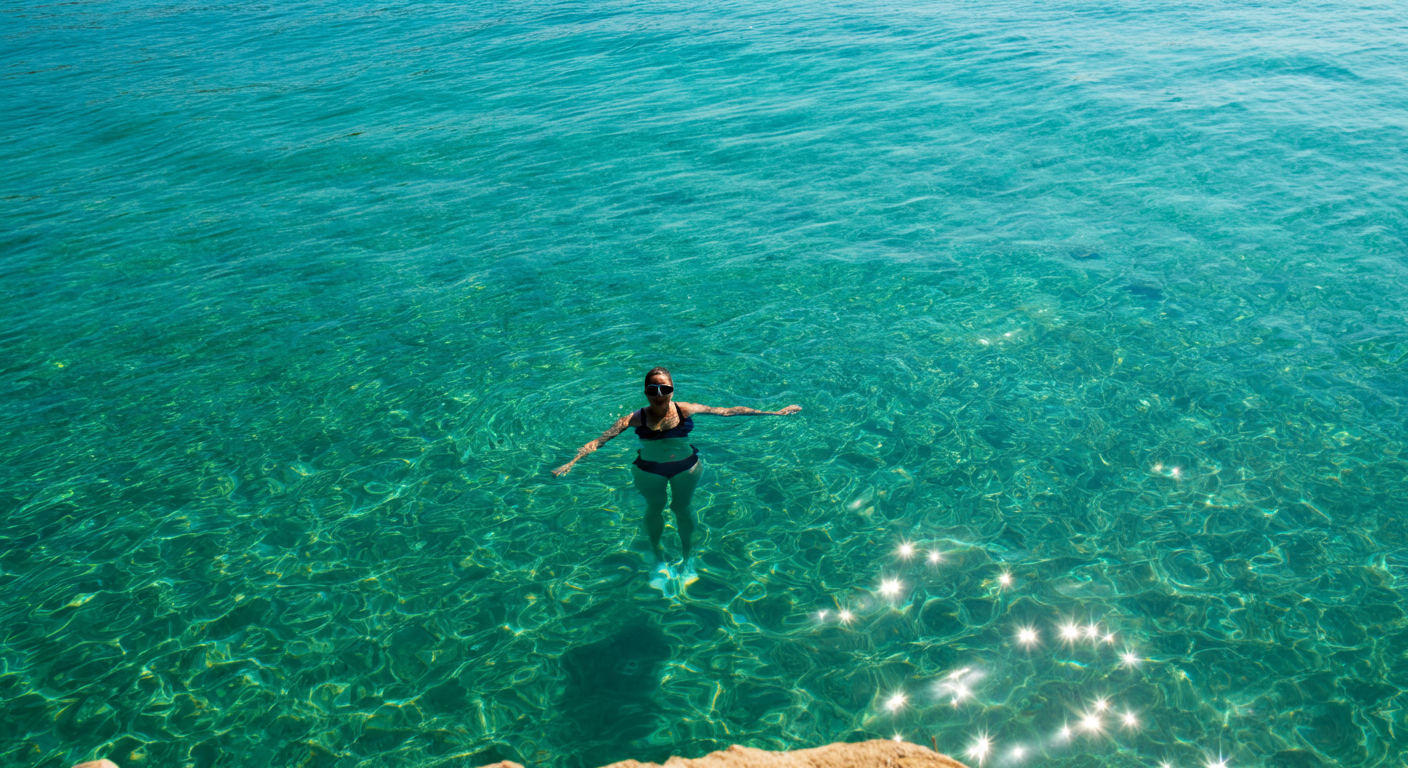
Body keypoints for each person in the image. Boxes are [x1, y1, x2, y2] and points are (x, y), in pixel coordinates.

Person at [553, 366, 801, 586]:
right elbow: (600, 440)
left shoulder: (686, 409)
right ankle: (658, 557)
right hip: (649, 470)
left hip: (686, 467)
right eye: (653, 389)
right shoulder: (632, 419)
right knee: (655, 508)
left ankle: (687, 559)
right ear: (645, 392)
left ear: (672, 390)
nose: (659, 395)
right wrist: (571, 462)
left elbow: (727, 411)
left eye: (665, 389)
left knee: (682, 508)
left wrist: (774, 413)